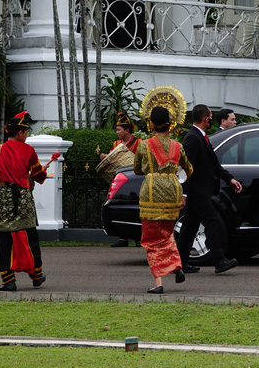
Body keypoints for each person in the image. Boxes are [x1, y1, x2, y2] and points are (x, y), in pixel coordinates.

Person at [0, 111, 58, 291]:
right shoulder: (29, 151)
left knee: (4, 239)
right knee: (30, 236)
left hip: (4, 198)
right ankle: (36, 275)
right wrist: (40, 172)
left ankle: (8, 281)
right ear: (19, 133)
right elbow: (39, 176)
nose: (27, 136)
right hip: (24, 199)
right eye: (26, 133)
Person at [133, 106, 194, 294]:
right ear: (169, 125)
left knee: (151, 239)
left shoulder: (144, 145)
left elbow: (137, 169)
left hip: (152, 192)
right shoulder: (178, 146)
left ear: (151, 124)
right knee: (167, 234)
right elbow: (189, 169)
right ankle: (177, 266)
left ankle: (159, 283)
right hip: (172, 191)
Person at [177, 104, 243, 274]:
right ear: (206, 118)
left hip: (200, 191)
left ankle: (180, 263)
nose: (211, 118)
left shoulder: (201, 136)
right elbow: (186, 168)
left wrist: (230, 178)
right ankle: (219, 260)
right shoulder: (192, 138)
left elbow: (213, 164)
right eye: (210, 115)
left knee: (189, 227)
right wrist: (183, 194)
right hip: (196, 192)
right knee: (212, 222)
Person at [100, 112, 141, 247]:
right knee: (121, 208)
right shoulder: (116, 143)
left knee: (136, 208)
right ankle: (122, 238)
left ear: (127, 130)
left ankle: (138, 238)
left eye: (119, 129)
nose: (117, 132)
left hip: (135, 181)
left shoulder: (139, 143)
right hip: (121, 181)